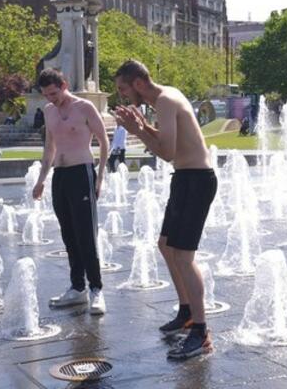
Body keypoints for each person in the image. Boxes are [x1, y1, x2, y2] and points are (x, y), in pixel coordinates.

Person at [114, 60, 217, 360]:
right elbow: (166, 143)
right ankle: (186, 311)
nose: (121, 96)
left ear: (138, 84)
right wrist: (142, 127)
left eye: (123, 89)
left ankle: (201, 332)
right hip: (185, 179)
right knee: (165, 246)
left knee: (184, 256)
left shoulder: (165, 101)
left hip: (197, 181)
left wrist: (137, 130)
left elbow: (167, 153)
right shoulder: (163, 99)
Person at [33, 68, 109, 315]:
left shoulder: (84, 107)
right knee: (69, 234)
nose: (51, 99)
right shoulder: (48, 111)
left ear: (64, 84)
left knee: (86, 233)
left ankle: (96, 289)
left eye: (54, 93)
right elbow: (49, 148)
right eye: (46, 95)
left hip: (82, 172)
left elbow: (103, 140)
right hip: (61, 176)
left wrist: (100, 177)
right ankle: (77, 288)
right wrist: (41, 179)